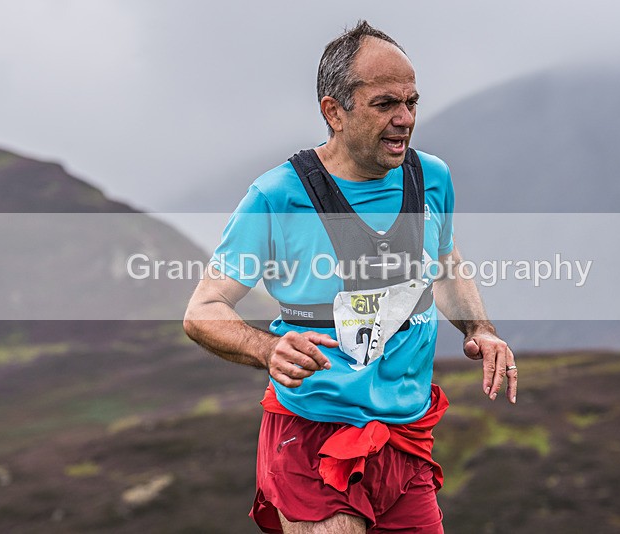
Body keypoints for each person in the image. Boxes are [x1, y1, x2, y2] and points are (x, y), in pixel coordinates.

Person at [184, 20, 517, 534]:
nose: (405, 119)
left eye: (411, 102)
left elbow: (445, 262)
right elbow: (202, 310)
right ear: (333, 112)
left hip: (405, 436)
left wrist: (480, 329)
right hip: (313, 435)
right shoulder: (278, 196)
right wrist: (266, 349)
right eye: (385, 104)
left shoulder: (432, 178)